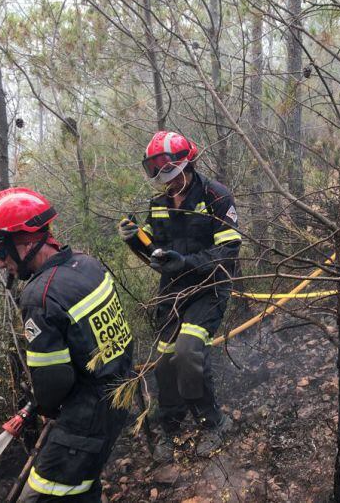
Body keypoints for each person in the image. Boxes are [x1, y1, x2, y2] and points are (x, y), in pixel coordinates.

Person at [0, 188, 133, 502]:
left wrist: (42, 404)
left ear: (27, 242)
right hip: (116, 396)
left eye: (1, 252)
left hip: (86, 418)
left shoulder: (39, 296)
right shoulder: (87, 265)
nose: (1, 263)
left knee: (40, 496)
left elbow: (53, 381)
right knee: (81, 487)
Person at [118, 131, 241, 461]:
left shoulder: (216, 196)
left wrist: (188, 262)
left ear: (185, 162)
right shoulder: (158, 205)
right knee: (164, 362)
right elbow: (156, 256)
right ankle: (169, 426)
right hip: (172, 291)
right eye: (154, 168)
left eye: (165, 166)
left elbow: (228, 251)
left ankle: (213, 422)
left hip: (210, 287)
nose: (164, 178)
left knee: (188, 352)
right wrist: (135, 240)